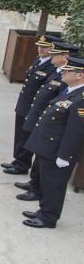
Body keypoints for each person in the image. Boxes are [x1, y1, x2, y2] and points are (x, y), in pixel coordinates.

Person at [21, 56, 84, 228]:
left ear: (80, 75)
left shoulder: (81, 99)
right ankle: (43, 211)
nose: (63, 72)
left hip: (58, 150)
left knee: (54, 186)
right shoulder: (70, 91)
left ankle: (48, 218)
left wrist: (65, 155)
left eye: (68, 70)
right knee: (45, 183)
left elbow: (76, 132)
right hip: (48, 146)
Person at [15, 42, 77, 202]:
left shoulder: (65, 79)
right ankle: (34, 184)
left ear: (65, 57)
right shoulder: (57, 73)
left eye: (56, 54)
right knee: (38, 156)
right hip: (42, 119)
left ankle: (37, 189)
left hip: (51, 125)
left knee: (44, 162)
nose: (52, 56)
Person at [3, 35, 59, 175]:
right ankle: (17, 160)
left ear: (53, 49)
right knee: (19, 134)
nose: (41, 49)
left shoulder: (52, 67)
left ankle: (22, 164)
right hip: (24, 104)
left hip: (33, 108)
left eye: (45, 47)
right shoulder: (39, 60)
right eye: (40, 46)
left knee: (26, 137)